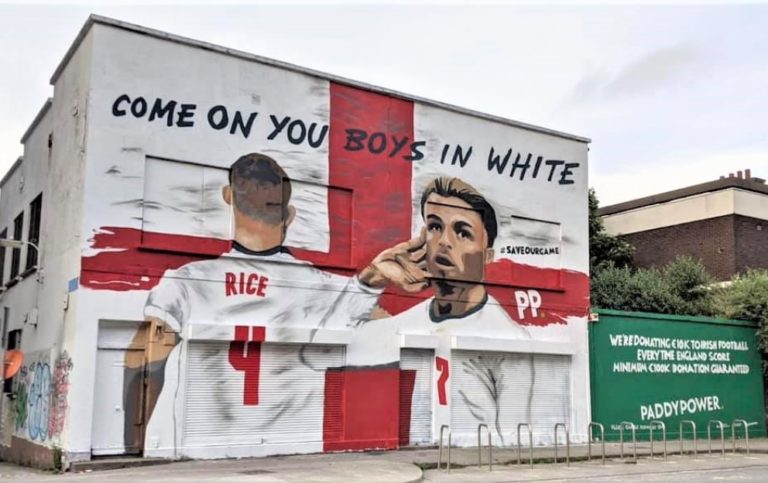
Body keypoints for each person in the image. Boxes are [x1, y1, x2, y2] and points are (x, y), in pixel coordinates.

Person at [124, 153, 402, 449]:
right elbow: (385, 337)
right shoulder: (330, 288)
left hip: (203, 449)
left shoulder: (187, 281)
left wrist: (132, 446)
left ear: (228, 196)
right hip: (296, 447)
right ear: (289, 215)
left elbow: (142, 362)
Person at [347, 176, 533, 445]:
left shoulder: (509, 338)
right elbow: (329, 346)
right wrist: (370, 279)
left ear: (487, 255)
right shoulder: (406, 324)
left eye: (462, 232)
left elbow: (516, 442)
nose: (444, 241)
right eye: (435, 226)